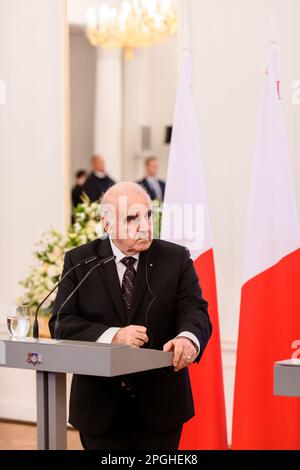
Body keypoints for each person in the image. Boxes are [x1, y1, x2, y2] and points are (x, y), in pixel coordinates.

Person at [49, 182, 212, 450]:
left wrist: (188, 339)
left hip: (161, 405)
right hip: (99, 406)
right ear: (107, 224)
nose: (145, 225)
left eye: (148, 215)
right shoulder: (80, 260)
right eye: (132, 218)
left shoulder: (175, 258)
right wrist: (114, 335)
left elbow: (195, 310)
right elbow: (61, 323)